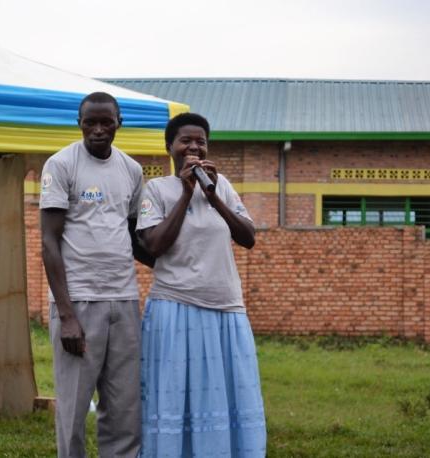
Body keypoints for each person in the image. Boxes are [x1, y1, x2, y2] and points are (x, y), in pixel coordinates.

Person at [137, 113, 266, 457]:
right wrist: (185, 193)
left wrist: (213, 196)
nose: (194, 147)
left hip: (226, 309)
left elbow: (248, 237)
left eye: (201, 142)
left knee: (227, 396)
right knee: (176, 395)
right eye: (186, 141)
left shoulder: (221, 185)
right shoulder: (156, 190)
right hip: (174, 308)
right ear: (170, 148)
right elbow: (154, 245)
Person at [40, 92, 152, 457]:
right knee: (72, 408)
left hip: (123, 300)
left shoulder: (132, 171)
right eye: (91, 122)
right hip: (79, 303)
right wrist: (67, 314)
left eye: (107, 122)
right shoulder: (61, 165)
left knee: (124, 408)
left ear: (120, 122)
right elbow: (48, 242)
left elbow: (136, 239)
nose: (99, 130)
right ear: (79, 123)